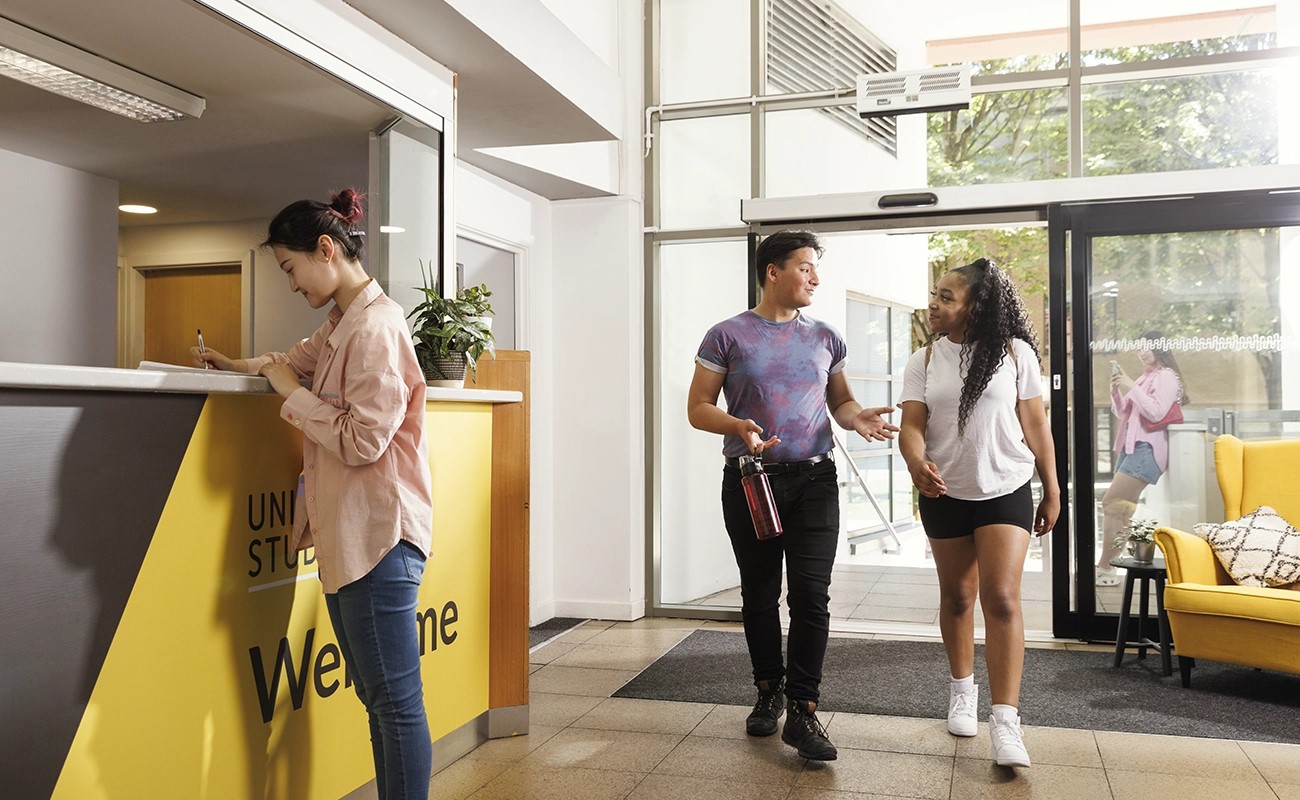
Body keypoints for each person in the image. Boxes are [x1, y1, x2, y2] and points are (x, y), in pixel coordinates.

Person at [192, 189, 434, 799]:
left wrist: (289, 398)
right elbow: (284, 361)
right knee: (381, 702)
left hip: (378, 540)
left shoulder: (375, 328)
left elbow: (363, 443)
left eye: (290, 268)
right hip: (356, 539)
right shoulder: (340, 324)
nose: (292, 284)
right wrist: (231, 364)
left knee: (395, 705)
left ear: (325, 250)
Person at [686, 230, 899, 762]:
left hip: (814, 481)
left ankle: (803, 709)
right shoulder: (726, 335)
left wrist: (857, 419)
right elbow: (697, 408)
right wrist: (738, 423)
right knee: (759, 595)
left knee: (810, 595)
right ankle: (767, 691)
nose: (815, 279)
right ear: (773, 272)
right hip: (751, 480)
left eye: (815, 268)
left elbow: (842, 401)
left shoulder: (825, 336)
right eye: (805, 268)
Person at [898, 258, 1059, 769]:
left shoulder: (1015, 355)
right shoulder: (923, 361)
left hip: (1005, 486)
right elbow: (912, 427)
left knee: (1003, 600)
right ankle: (962, 691)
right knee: (959, 595)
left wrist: (1054, 489)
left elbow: (1036, 426)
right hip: (945, 493)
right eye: (935, 293)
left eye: (947, 296)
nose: (935, 303)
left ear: (976, 305)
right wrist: (915, 461)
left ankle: (1007, 722)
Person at [1095, 331, 1188, 586]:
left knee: (1113, 502)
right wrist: (1116, 389)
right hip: (1131, 447)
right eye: (1139, 348)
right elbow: (1124, 410)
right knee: (1120, 508)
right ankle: (1109, 570)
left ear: (1160, 348)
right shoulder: (1146, 377)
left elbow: (1156, 412)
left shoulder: (1167, 377)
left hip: (1146, 448)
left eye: (1146, 348)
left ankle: (1105, 567)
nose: (1142, 352)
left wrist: (1129, 384)